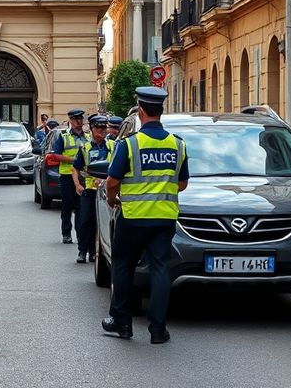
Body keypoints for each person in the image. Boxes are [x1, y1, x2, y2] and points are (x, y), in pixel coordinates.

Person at [102, 87, 189, 344]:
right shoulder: (178, 144)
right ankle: (158, 330)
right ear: (160, 111)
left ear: (140, 111)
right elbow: (182, 184)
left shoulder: (130, 145)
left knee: (123, 266)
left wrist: (112, 199)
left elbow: (112, 181)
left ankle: (122, 323)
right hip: (164, 218)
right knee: (160, 270)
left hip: (132, 217)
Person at [72, 115, 114, 263]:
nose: (102, 131)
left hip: (106, 190)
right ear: (91, 129)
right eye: (98, 128)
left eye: (104, 128)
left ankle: (95, 252)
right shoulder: (85, 147)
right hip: (89, 190)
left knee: (101, 222)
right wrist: (78, 185)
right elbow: (75, 168)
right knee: (85, 221)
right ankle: (82, 251)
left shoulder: (112, 146)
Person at [52, 109, 90, 243]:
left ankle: (80, 234)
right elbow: (56, 155)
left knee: (81, 207)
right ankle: (66, 234)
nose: (79, 122)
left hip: (82, 177)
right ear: (71, 121)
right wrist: (74, 161)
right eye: (75, 119)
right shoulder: (63, 136)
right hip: (67, 176)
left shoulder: (88, 137)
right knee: (67, 205)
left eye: (80, 119)